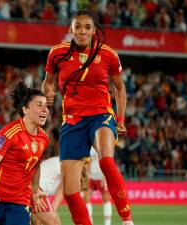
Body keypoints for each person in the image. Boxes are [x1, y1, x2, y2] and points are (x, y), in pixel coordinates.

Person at [42, 9, 134, 225]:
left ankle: (127, 221)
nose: (82, 31)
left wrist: (120, 120)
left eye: (87, 27)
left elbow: (120, 89)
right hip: (72, 121)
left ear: (94, 31)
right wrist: (48, 92)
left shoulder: (108, 54)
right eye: (78, 26)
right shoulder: (57, 53)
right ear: (71, 28)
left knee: (106, 161)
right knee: (71, 191)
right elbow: (48, 81)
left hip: (101, 115)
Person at [0, 81, 49, 225]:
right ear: (25, 109)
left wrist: (36, 190)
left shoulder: (43, 138)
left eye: (46, 105)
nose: (45, 110)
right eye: (39, 105)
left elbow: (36, 165)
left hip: (19, 201)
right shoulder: (9, 134)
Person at [84, 148, 112, 225]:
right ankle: (90, 222)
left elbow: (107, 161)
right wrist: (87, 174)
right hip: (91, 177)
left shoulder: (103, 145)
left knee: (106, 198)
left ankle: (107, 223)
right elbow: (87, 161)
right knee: (86, 198)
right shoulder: (89, 146)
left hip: (101, 177)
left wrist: (104, 177)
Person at [31, 156, 62, 225]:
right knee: (54, 222)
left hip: (33, 188)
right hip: (37, 190)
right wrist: (54, 206)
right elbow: (63, 187)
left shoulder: (57, 160)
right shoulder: (68, 163)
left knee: (36, 222)